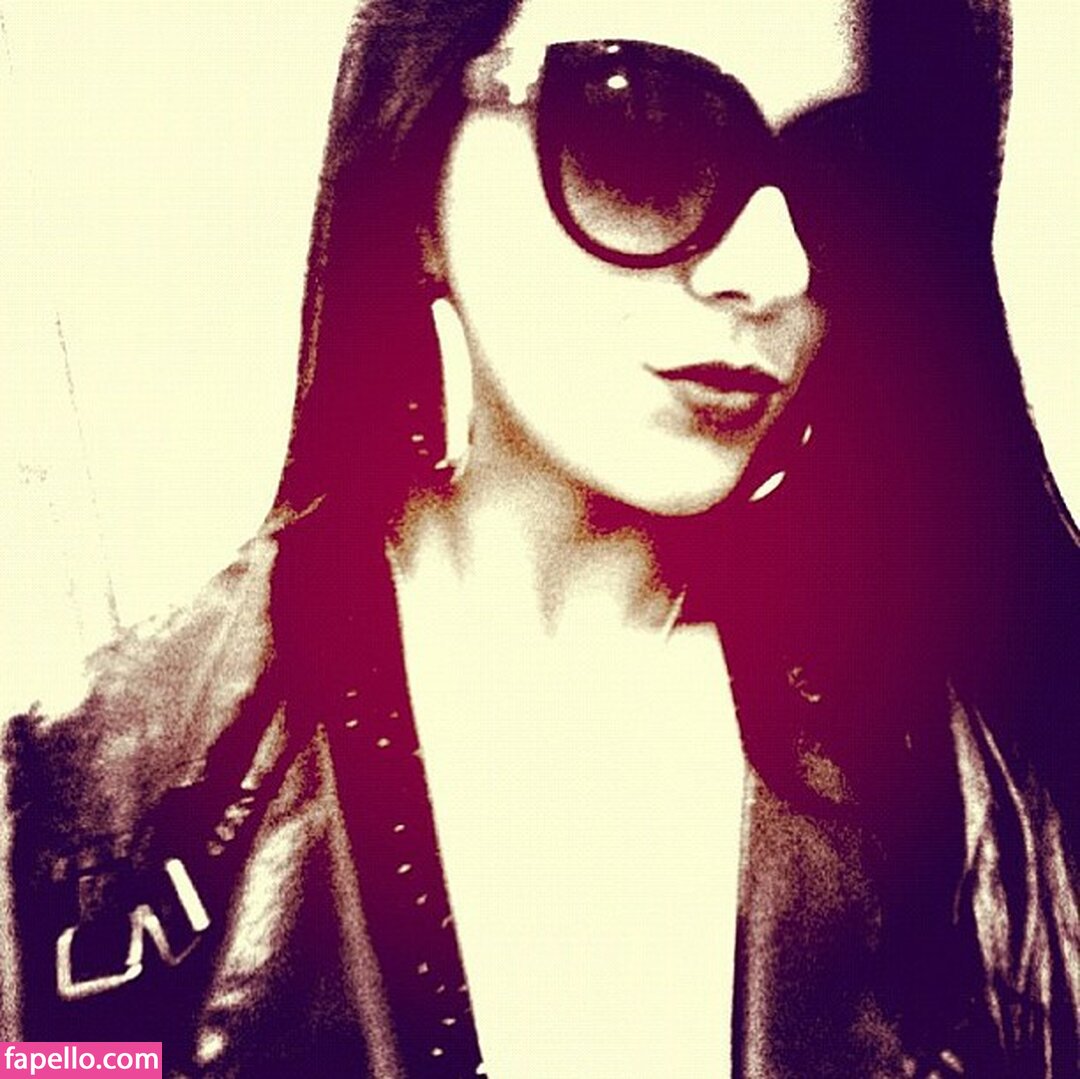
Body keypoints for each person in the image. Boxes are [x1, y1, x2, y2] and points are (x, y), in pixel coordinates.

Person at [3, 0, 1077, 1075]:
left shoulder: (969, 777)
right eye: (642, 130)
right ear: (416, 176)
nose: (774, 267)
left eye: (849, 177)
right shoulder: (87, 817)